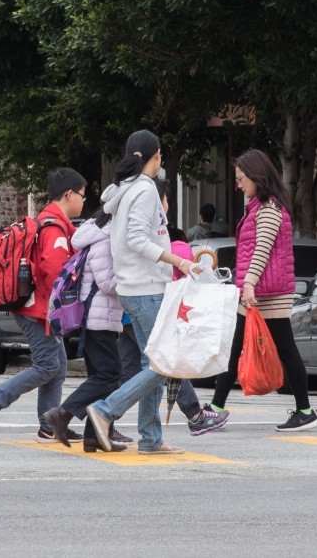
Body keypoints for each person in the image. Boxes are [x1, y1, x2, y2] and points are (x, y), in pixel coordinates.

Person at [80, 131, 201, 455]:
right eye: (161, 156)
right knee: (163, 365)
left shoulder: (123, 190)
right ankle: (105, 411)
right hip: (146, 288)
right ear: (156, 155)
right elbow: (136, 238)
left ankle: (150, 437)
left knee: (157, 363)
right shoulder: (144, 190)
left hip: (135, 287)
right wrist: (177, 260)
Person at [206, 149, 317, 432]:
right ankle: (217, 406)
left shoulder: (268, 210)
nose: (239, 185)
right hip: (259, 292)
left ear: (257, 177)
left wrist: (248, 283)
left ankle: (305, 411)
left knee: (285, 349)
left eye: (242, 178)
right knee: (237, 348)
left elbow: (261, 251)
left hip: (266, 293)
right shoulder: (259, 207)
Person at [0, 168, 86, 442]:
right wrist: (63, 302)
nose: (84, 201)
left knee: (56, 365)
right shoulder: (55, 228)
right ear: (69, 194)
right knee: (48, 365)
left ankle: (49, 423)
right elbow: (53, 267)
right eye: (82, 196)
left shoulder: (49, 221)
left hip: (37, 308)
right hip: (40, 310)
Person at [42, 207, 131, 452]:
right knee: (110, 375)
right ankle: (63, 413)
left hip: (98, 318)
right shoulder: (104, 240)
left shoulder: (97, 236)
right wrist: (132, 277)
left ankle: (94, 436)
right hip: (97, 319)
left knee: (102, 379)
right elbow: (106, 283)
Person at [156, 179, 228, 436]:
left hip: (140, 306)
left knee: (145, 366)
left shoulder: (157, 236)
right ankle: (103, 410)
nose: (166, 205)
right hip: (156, 305)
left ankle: (96, 411)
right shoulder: (171, 244)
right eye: (164, 200)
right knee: (161, 364)